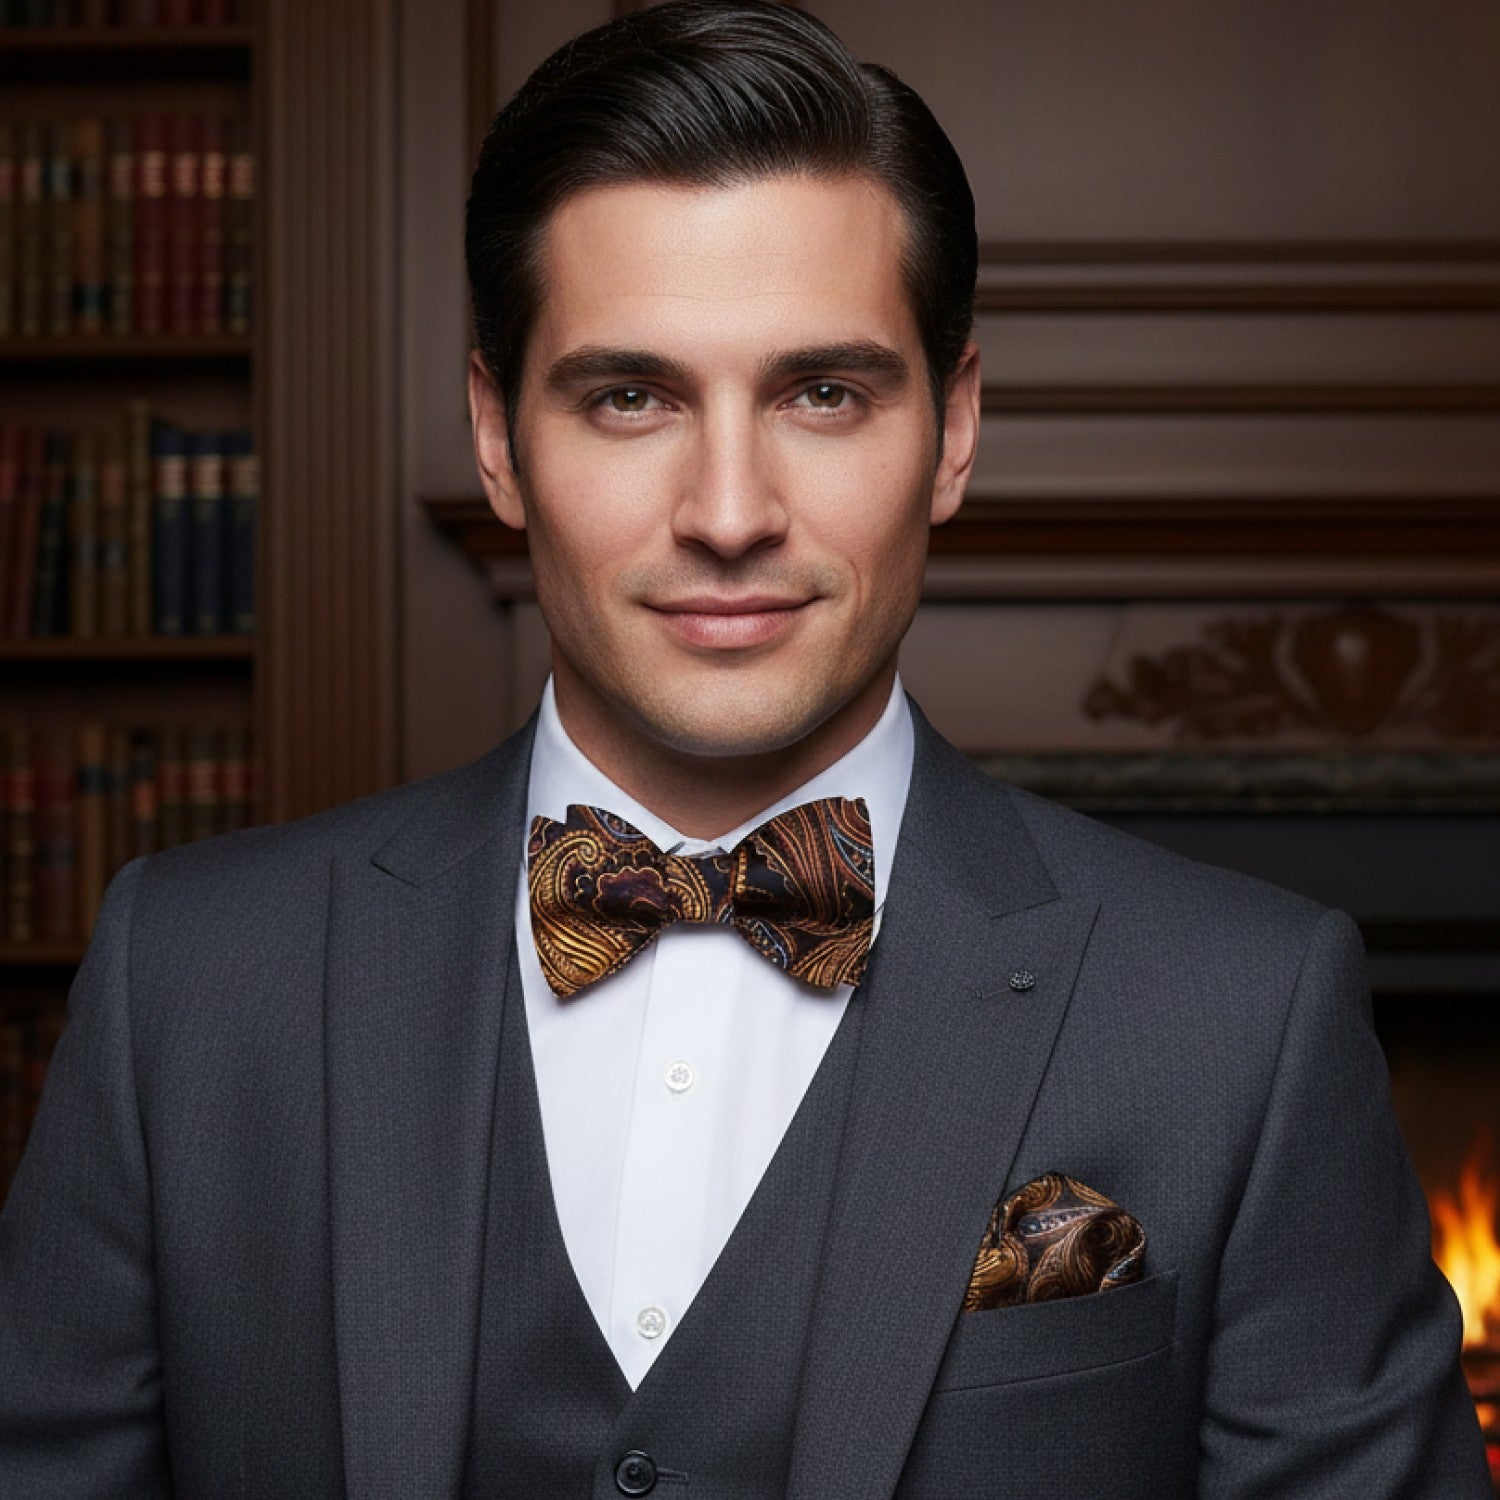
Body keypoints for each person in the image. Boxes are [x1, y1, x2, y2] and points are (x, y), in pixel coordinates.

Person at [0, 2, 1488, 1495]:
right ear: (499, 439)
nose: (728, 512)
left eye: (822, 393)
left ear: (954, 430)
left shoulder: (1243, 1013)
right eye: (629, 396)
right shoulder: (186, 985)